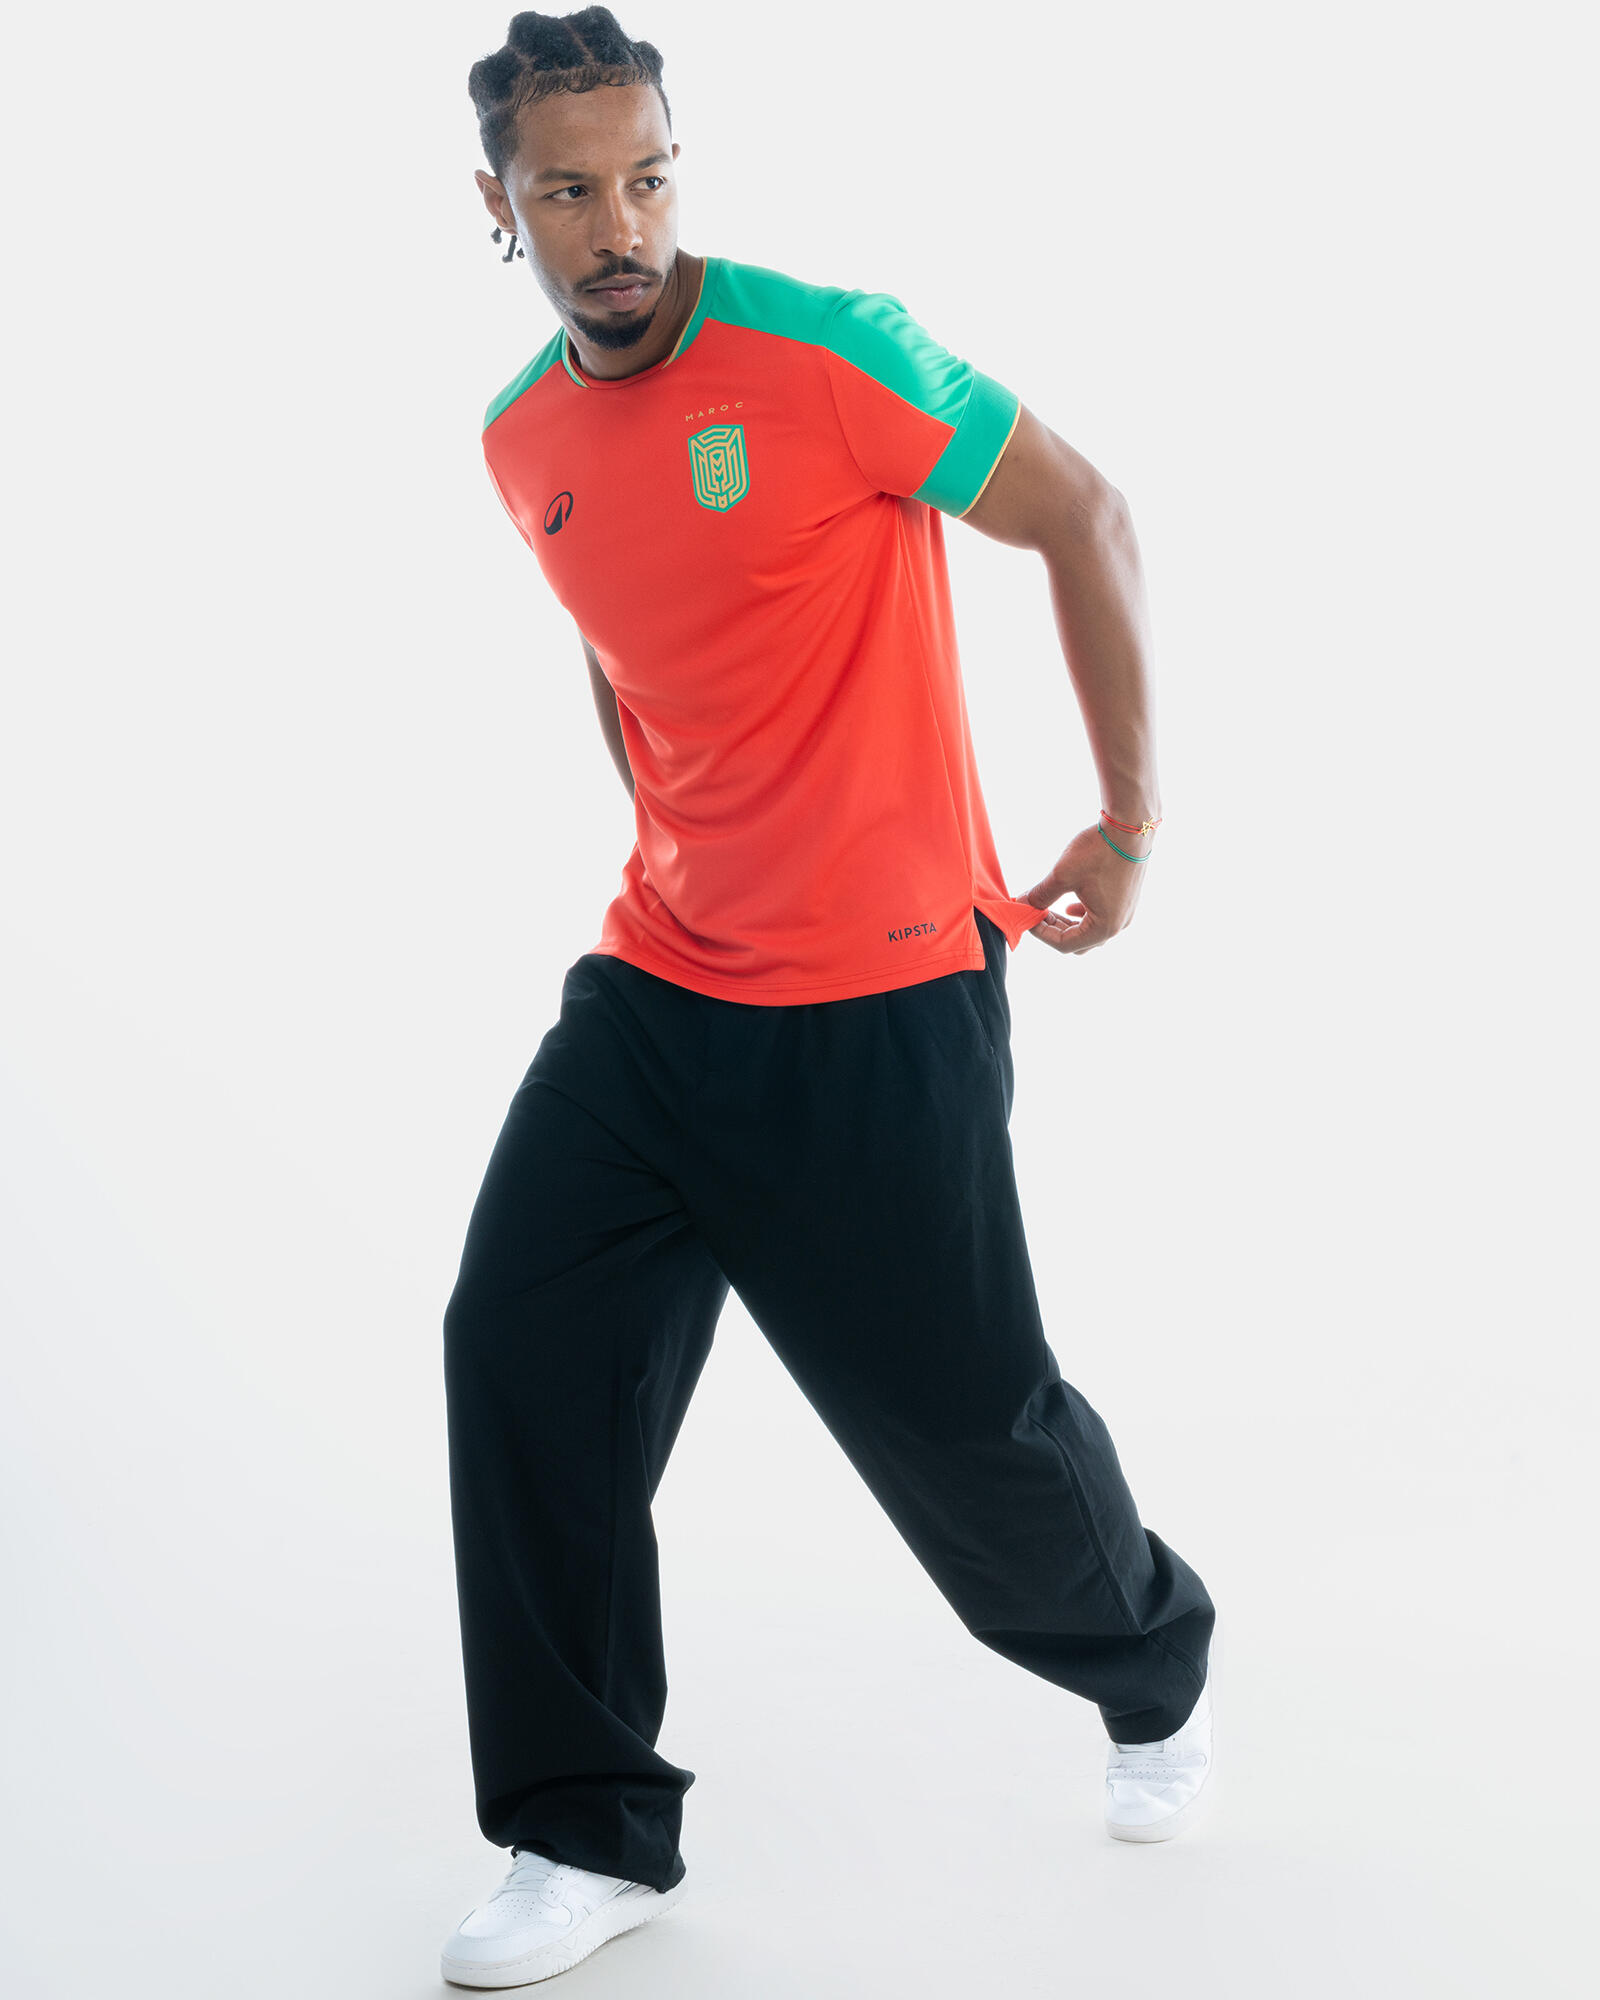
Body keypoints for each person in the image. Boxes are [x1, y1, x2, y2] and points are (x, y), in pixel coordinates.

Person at [440, 8, 1219, 1986]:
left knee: (973, 1444)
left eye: (645, 178)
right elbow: (627, 651)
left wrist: (1127, 823)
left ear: (675, 166)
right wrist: (687, 843)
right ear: (498, 204)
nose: (618, 227)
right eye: (567, 192)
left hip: (880, 1003)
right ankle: (584, 1829)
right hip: (656, 991)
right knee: (517, 1349)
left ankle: (1152, 1666)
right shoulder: (521, 439)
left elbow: (1084, 512)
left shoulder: (831, 349)